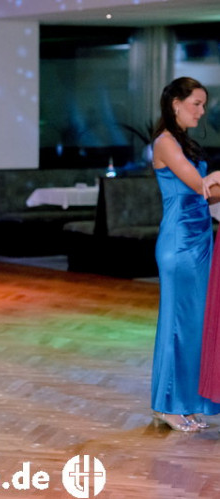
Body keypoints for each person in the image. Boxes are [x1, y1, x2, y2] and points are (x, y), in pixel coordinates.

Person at [150, 76, 220, 432]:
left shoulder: (184, 143)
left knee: (197, 324)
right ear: (175, 104)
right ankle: (168, 405)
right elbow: (199, 186)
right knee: (177, 323)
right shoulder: (164, 143)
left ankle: (189, 402)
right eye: (196, 103)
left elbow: (210, 194)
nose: (202, 111)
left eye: (203, 104)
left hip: (201, 241)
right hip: (179, 244)